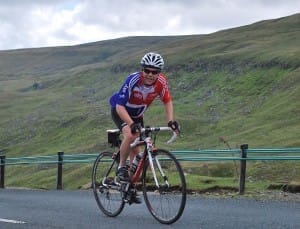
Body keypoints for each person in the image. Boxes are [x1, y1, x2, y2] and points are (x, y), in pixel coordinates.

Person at [109, 52, 179, 203]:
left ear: (159, 72)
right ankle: (121, 167)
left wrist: (171, 121)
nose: (150, 74)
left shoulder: (161, 82)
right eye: (147, 70)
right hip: (120, 110)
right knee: (130, 134)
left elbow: (167, 101)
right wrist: (130, 124)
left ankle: (128, 187)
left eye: (155, 72)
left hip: (138, 115)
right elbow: (120, 106)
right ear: (142, 70)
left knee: (139, 154)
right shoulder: (133, 79)